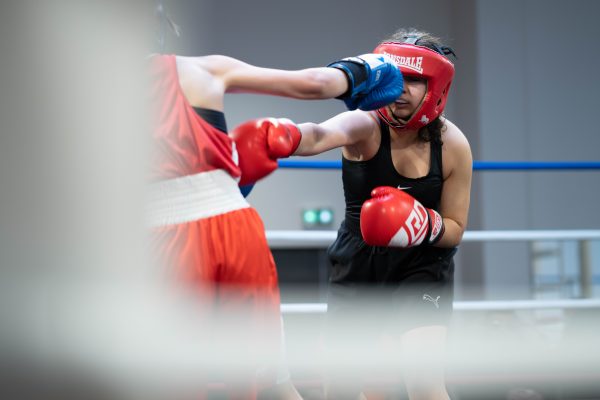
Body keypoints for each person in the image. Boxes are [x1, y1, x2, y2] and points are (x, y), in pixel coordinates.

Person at [145, 4, 404, 398]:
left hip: (161, 237)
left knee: (176, 379)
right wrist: (367, 67)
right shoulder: (200, 68)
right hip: (231, 220)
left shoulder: (79, 96)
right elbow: (315, 84)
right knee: (270, 382)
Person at [233, 28, 472, 400]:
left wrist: (423, 224)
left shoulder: (454, 145)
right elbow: (318, 133)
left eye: (414, 80)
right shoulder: (366, 125)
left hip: (423, 265)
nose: (402, 89)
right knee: (341, 387)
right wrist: (282, 136)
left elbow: (456, 228)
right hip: (358, 261)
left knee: (425, 385)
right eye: (396, 77)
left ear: (435, 87)